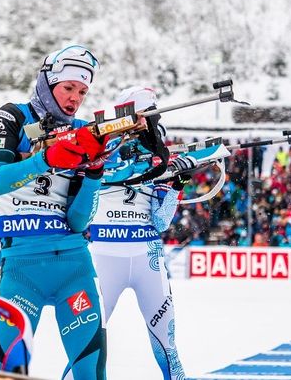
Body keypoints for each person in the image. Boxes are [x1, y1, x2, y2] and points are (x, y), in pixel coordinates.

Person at [0, 45, 107, 378]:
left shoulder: (83, 130)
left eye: (82, 91)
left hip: (74, 266)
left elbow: (78, 220)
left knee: (90, 373)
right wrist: (47, 160)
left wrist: (94, 175)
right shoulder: (13, 116)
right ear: (47, 82)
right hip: (22, 270)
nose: (75, 98)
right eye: (68, 87)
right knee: (3, 372)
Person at [88, 86, 191, 380]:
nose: (149, 125)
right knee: (88, 343)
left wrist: (176, 186)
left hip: (148, 257)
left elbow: (159, 222)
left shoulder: (157, 152)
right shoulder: (103, 143)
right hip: (104, 255)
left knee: (168, 348)